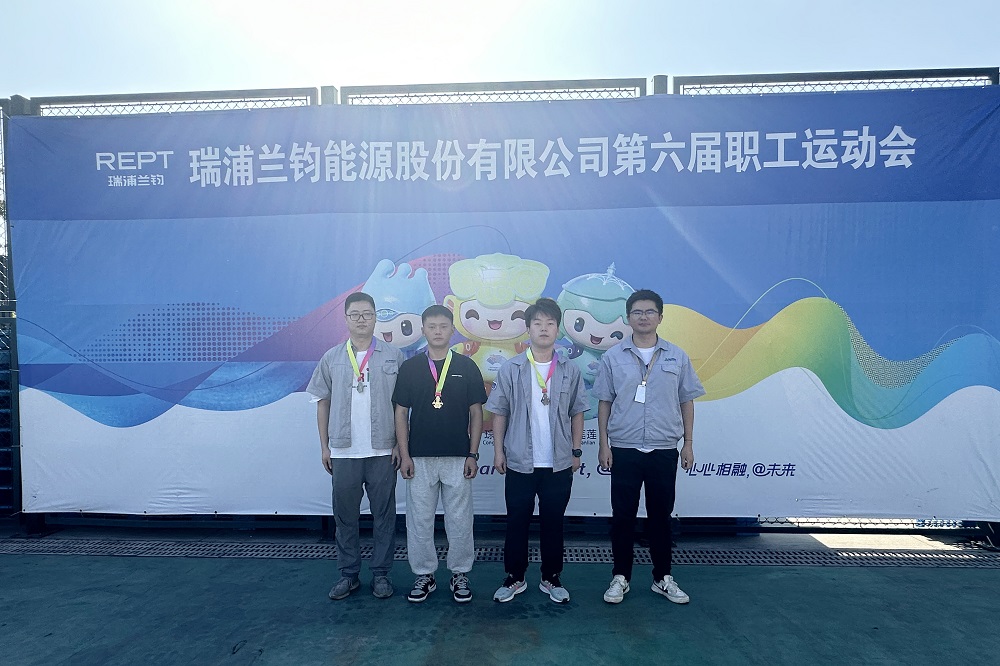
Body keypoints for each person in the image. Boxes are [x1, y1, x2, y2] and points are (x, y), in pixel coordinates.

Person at [592, 289, 705, 605]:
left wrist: (688, 444)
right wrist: (604, 445)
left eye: (650, 311)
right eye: (637, 312)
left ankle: (662, 577)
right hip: (624, 448)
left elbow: (686, 400)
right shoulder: (613, 357)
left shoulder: (676, 356)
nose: (643, 317)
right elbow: (604, 402)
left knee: (661, 516)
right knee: (622, 516)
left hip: (664, 449)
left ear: (660, 317)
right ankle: (620, 577)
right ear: (628, 318)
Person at [485, 297, 588, 604]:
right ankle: (515, 577)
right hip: (519, 460)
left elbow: (578, 412)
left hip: (558, 461)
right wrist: (499, 452)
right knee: (517, 521)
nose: (544, 328)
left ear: (558, 329)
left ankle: (551, 577)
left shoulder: (569, 369)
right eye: (537, 323)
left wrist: (576, 451)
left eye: (550, 323)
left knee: (553, 522)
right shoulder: (512, 368)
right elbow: (499, 412)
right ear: (528, 329)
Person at [307, 291, 405, 601]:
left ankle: (381, 574)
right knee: (345, 516)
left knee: (384, 516)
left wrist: (400, 445)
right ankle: (348, 574)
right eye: (355, 315)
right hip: (344, 451)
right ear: (346, 318)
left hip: (383, 450)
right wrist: (325, 446)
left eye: (367, 314)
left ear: (376, 317)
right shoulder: (332, 357)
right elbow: (322, 402)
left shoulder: (394, 356)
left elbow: (403, 407)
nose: (361, 320)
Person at [393, 305, 487, 603]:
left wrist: (473, 454)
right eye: (431, 326)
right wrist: (405, 455)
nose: (437, 331)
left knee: (460, 520)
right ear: (423, 330)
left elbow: (476, 413)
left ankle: (460, 573)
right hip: (419, 458)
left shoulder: (466, 366)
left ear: (452, 330)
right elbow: (400, 413)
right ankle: (424, 574)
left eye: (443, 326)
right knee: (419, 521)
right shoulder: (410, 368)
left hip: (458, 456)